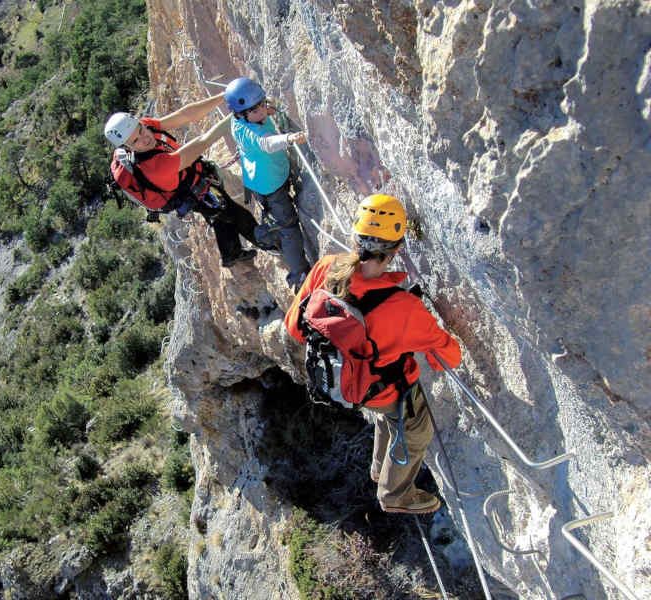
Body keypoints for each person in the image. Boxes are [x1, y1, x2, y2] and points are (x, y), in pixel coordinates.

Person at [284, 194, 462, 515]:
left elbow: (294, 327)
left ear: (356, 237)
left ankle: (380, 467)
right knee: (415, 426)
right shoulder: (402, 307)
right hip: (377, 387)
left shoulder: (328, 267)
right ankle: (394, 494)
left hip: (340, 378)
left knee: (387, 413)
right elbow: (450, 355)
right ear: (395, 249)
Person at [104, 93, 259, 267]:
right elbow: (203, 141)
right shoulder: (154, 166)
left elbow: (185, 115)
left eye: (141, 130)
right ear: (128, 148)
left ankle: (231, 254)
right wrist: (242, 113)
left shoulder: (146, 127)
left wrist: (224, 96)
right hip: (188, 191)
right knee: (235, 214)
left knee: (219, 212)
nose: (145, 138)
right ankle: (271, 242)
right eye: (136, 141)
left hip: (190, 174)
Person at [225, 77, 310, 290]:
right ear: (240, 114)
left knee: (281, 218)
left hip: (268, 178)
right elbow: (267, 143)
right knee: (289, 228)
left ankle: (271, 231)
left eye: (262, 104)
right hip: (269, 186)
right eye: (255, 110)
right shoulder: (247, 131)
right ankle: (299, 275)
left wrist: (266, 111)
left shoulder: (246, 118)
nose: (262, 111)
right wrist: (290, 138)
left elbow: (262, 115)